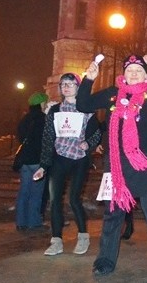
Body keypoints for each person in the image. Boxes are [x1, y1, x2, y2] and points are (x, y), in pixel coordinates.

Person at [77, 53, 147, 277]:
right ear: (124, 74)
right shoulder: (113, 94)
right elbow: (83, 104)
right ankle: (105, 261)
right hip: (117, 163)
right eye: (129, 70)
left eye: (138, 70)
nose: (133, 73)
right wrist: (88, 80)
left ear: (145, 75)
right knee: (113, 213)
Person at [34, 73, 101, 256]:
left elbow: (96, 133)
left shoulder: (86, 109)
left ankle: (82, 236)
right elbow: (48, 138)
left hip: (79, 158)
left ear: (78, 88)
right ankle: (56, 241)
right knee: (55, 199)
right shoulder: (54, 110)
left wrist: (88, 144)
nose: (66, 87)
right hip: (59, 157)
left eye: (71, 84)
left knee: (73, 198)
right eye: (63, 84)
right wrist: (43, 165)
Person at [14, 91, 48, 231]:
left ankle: (20, 222)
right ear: (41, 103)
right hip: (37, 161)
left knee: (24, 191)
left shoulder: (25, 119)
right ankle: (34, 222)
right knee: (36, 193)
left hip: (25, 161)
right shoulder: (44, 119)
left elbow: (21, 138)